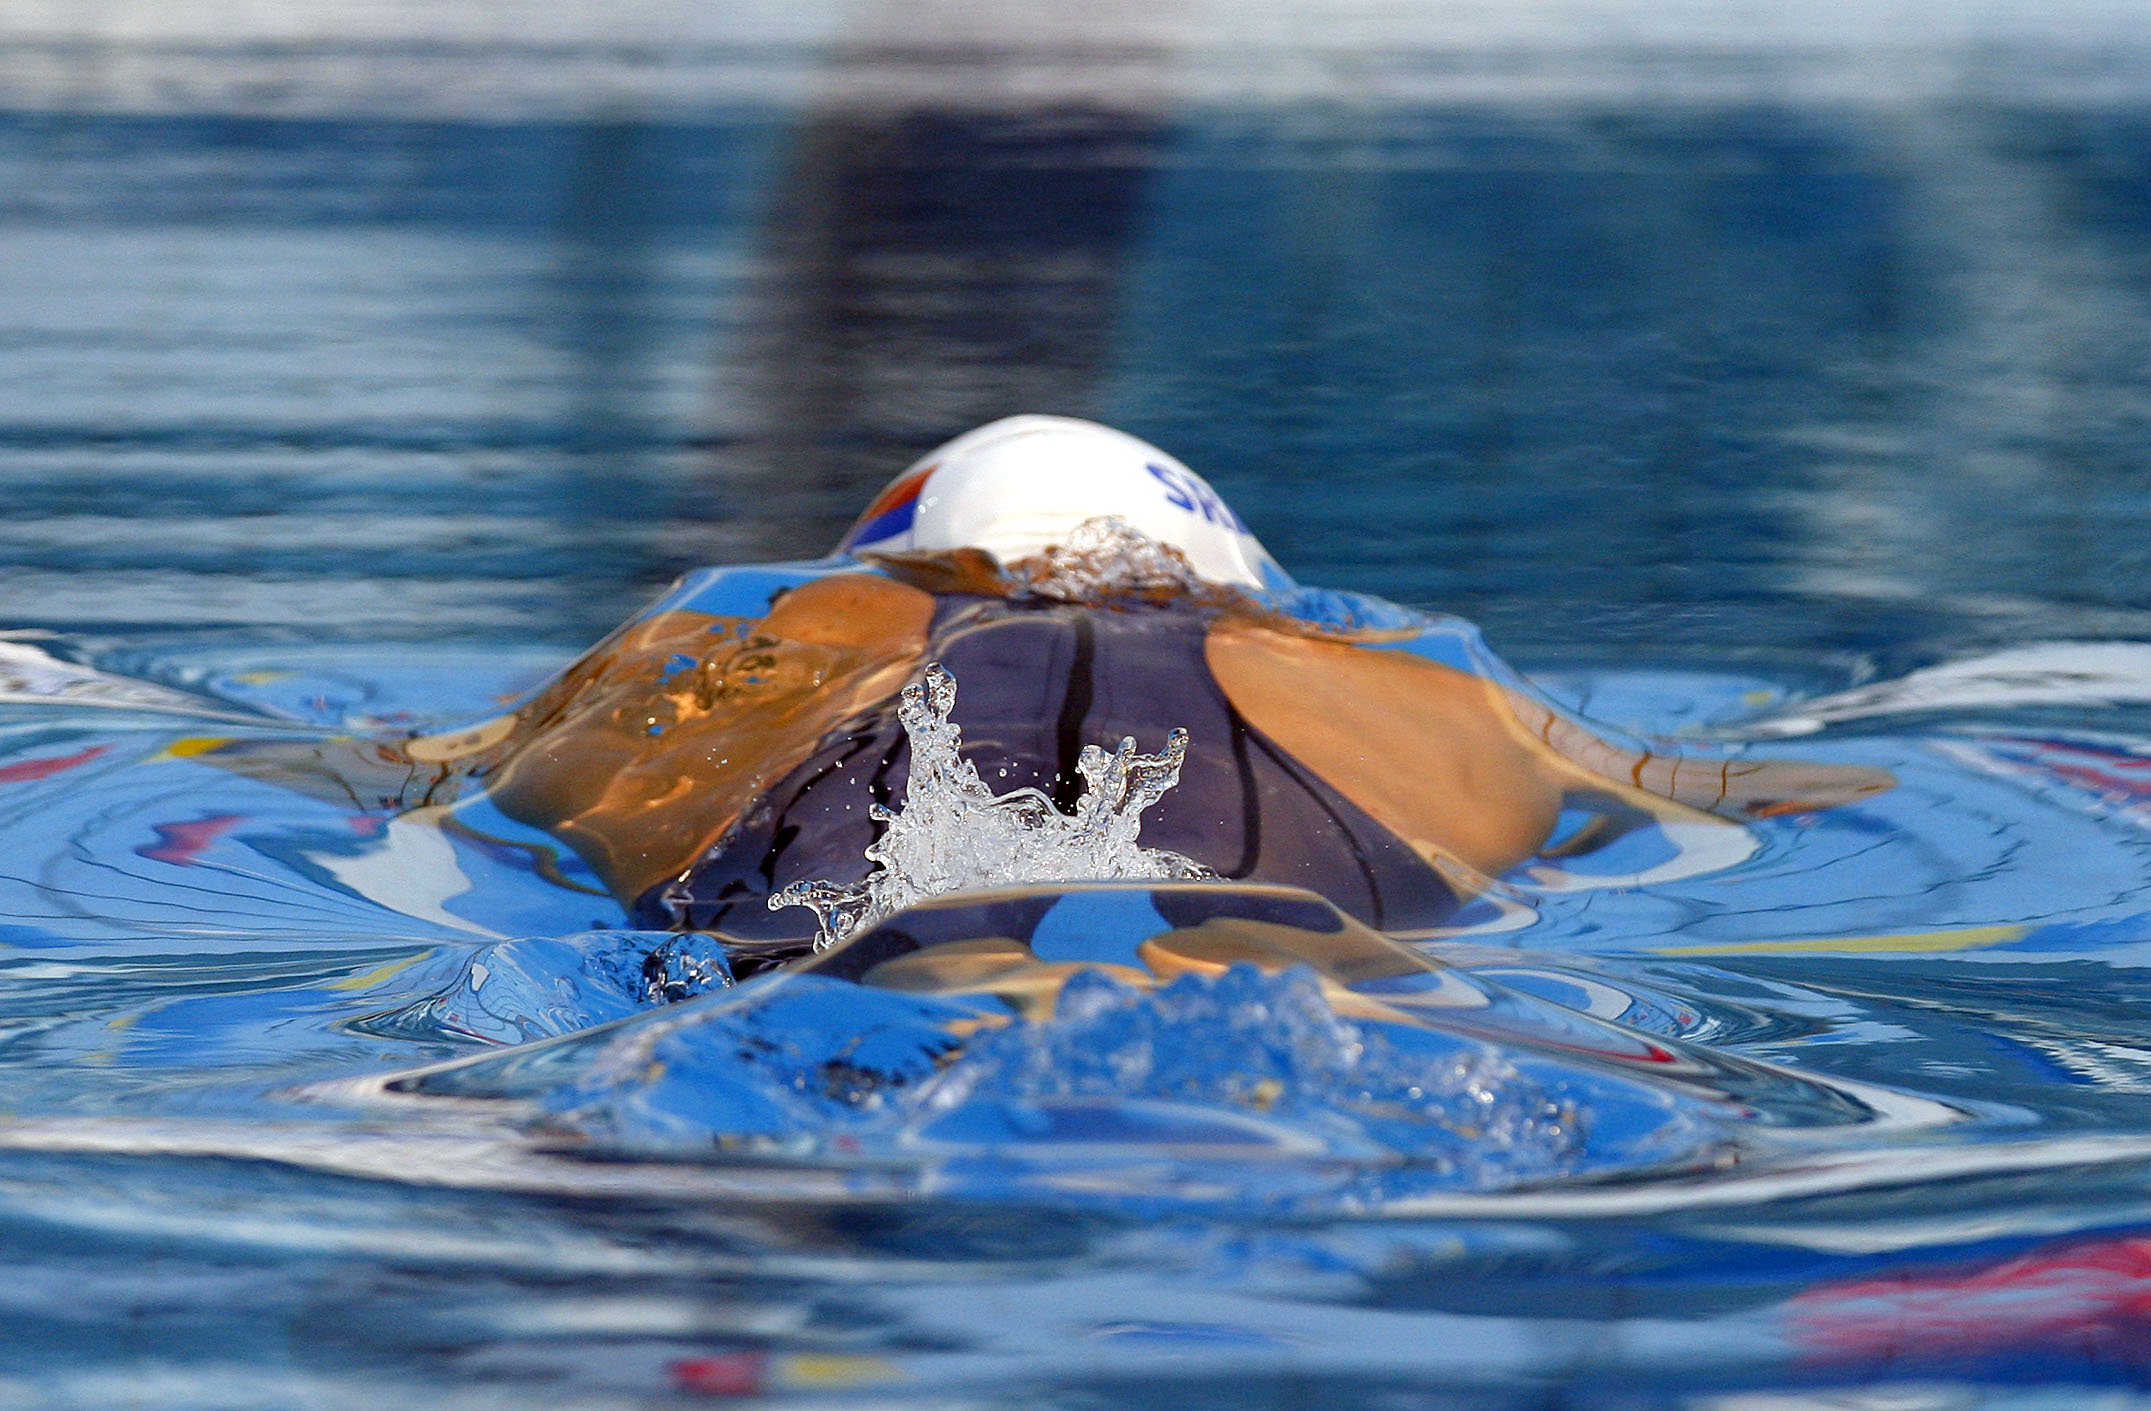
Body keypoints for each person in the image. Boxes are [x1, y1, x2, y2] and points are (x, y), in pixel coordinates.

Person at [198, 416, 1894, 963]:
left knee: (889, 1005)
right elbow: (1749, 792)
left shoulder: (738, 631)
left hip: (853, 816)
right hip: (1312, 829)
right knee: (1324, 997)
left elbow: (381, 771)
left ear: (893, 556)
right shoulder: (1421, 673)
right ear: (1239, 575)